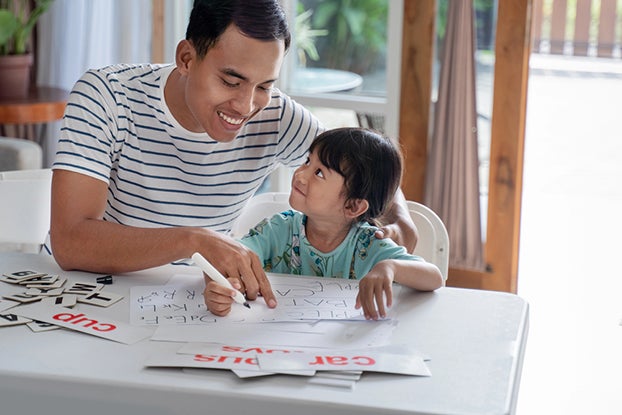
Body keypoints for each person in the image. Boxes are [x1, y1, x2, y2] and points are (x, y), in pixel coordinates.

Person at [49, 0, 418, 311]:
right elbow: (71, 243)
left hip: (198, 301)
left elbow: (362, 162)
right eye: (230, 81)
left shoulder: (276, 115)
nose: (245, 106)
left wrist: (399, 216)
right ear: (186, 58)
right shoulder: (107, 96)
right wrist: (193, 240)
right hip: (90, 296)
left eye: (265, 86)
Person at [205, 128, 444, 320]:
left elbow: (434, 277)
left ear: (353, 207)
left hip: (340, 350)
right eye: (308, 161)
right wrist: (223, 287)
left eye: (319, 173)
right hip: (276, 343)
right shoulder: (278, 230)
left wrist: (390, 268)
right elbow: (229, 260)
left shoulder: (368, 245)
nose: (300, 174)